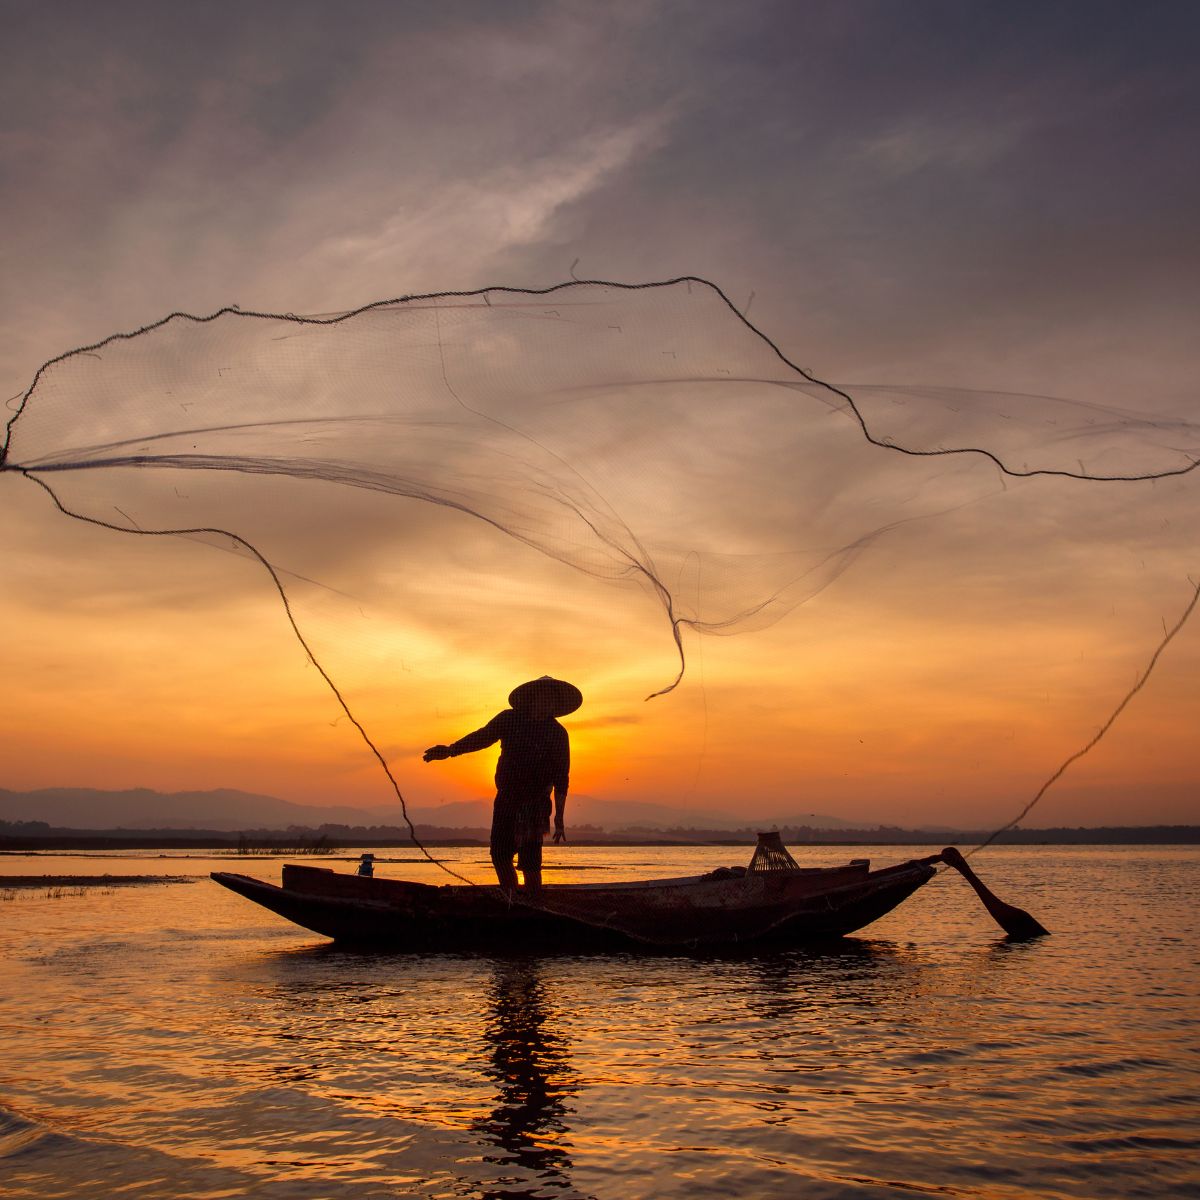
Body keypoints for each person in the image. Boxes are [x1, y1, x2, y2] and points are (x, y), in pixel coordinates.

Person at [424, 676, 580, 891]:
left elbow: (562, 777)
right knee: (499, 854)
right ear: (533, 697)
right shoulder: (510, 719)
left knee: (531, 861)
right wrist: (451, 750)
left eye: (553, 699)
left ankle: (533, 902)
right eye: (545, 696)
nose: (548, 702)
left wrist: (559, 817)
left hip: (536, 803)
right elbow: (483, 736)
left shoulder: (558, 733)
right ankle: (511, 898)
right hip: (507, 799)